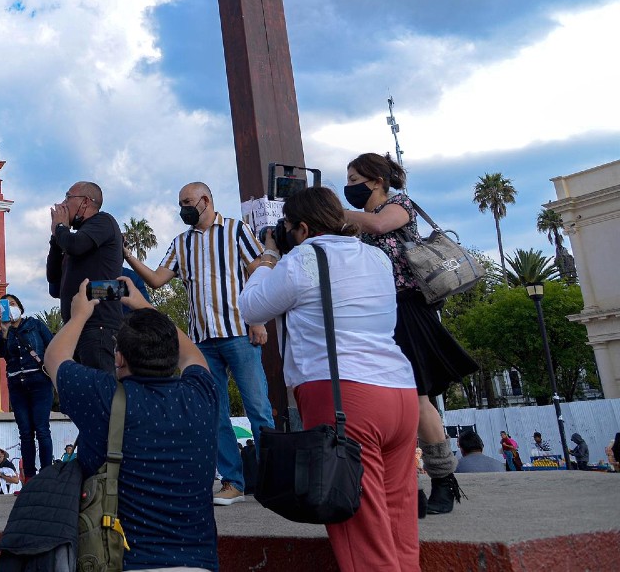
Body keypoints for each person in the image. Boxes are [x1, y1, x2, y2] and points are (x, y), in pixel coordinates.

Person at [239, 186, 420, 572]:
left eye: (288, 227)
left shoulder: (303, 258)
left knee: (362, 530)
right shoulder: (376, 256)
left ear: (302, 227)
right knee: (398, 514)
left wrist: (268, 259)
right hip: (400, 391)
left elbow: (251, 306)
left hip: (344, 396)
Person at [48, 277, 220, 571]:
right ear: (170, 354)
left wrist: (79, 316)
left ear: (119, 358)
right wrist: (145, 307)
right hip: (199, 563)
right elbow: (192, 354)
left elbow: (55, 358)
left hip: (124, 561)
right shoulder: (201, 395)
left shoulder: (102, 396)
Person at [344, 152, 479, 514]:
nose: (349, 188)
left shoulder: (397, 205)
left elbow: (379, 227)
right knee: (395, 401)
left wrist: (333, 213)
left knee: (418, 397)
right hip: (378, 312)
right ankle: (405, 486)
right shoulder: (362, 220)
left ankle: (443, 480)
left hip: (407, 306)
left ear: (376, 181)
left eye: (355, 180)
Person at [123, 181, 273, 506]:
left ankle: (273, 482)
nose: (183, 209)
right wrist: (128, 256)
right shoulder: (181, 243)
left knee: (258, 408)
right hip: (203, 340)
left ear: (205, 200)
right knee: (214, 412)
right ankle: (233, 482)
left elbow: (258, 272)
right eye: (180, 204)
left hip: (239, 330)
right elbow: (157, 279)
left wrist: (259, 318)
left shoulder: (237, 230)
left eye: (187, 202)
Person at [45, 181, 125, 371]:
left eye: (68, 197)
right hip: (76, 328)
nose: (63, 204)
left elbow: (76, 245)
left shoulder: (103, 222)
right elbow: (53, 278)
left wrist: (61, 228)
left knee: (100, 390)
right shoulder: (73, 238)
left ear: (85, 202)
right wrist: (56, 237)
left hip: (99, 327)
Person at [0, 292, 55, 480]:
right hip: (17, 386)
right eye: (3, 306)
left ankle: (46, 477)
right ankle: (29, 478)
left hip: (39, 383)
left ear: (20, 307)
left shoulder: (35, 325)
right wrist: (3, 331)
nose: (9, 307)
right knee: (25, 433)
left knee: (42, 429)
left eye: (12, 303)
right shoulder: (4, 334)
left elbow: (53, 346)